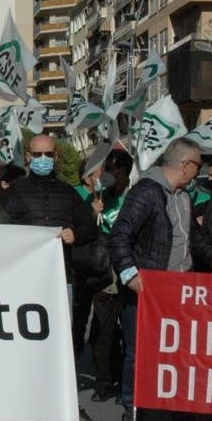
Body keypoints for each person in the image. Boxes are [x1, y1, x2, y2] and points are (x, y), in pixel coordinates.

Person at [1, 133, 100, 421]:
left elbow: (88, 228)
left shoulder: (69, 193)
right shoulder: (15, 192)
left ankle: (69, 405)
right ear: (28, 158)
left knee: (62, 345)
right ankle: (11, 410)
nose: (43, 160)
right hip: (21, 283)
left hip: (60, 281)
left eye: (48, 155)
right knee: (18, 344)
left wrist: (76, 234)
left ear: (55, 157)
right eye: (37, 155)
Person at [109, 137, 204, 421]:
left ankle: (175, 409)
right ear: (185, 165)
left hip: (179, 289)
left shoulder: (184, 197)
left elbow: (193, 238)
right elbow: (120, 235)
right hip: (146, 290)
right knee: (138, 353)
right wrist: (129, 272)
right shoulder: (147, 193)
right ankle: (132, 409)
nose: (199, 172)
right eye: (198, 166)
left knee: (179, 353)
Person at [74, 149, 133, 404]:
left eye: (115, 170)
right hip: (103, 273)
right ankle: (104, 381)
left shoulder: (137, 196)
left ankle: (127, 383)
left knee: (130, 331)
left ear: (126, 172)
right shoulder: (98, 196)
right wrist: (91, 210)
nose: (110, 175)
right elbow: (83, 230)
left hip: (131, 273)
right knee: (101, 330)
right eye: (107, 170)